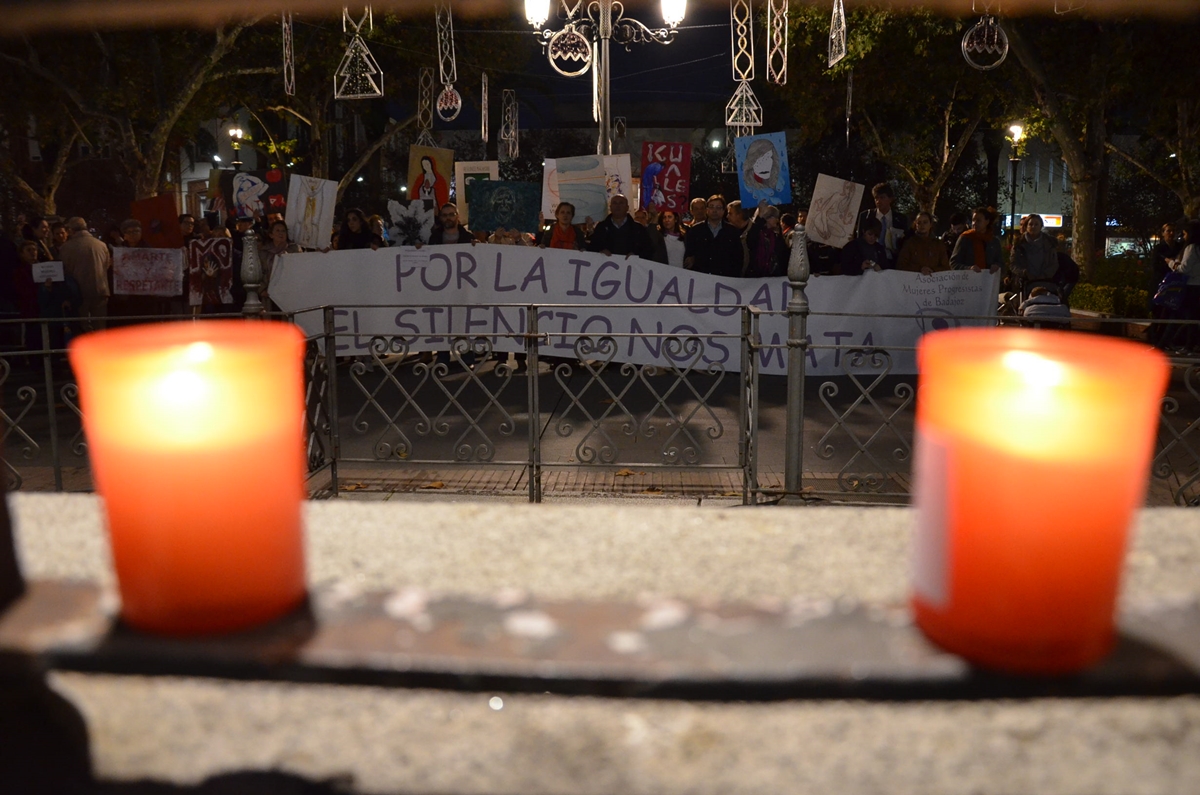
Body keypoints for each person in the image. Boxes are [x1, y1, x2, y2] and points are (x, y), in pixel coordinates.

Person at [58, 217, 111, 332]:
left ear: (71, 230)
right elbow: (106, 265)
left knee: (83, 327)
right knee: (100, 327)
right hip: (100, 291)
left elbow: (64, 270)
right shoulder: (101, 245)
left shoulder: (66, 248)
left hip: (79, 292)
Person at [683, 195, 743, 278]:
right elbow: (689, 255)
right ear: (707, 210)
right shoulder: (695, 230)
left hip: (724, 279)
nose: (714, 210)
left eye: (718, 207)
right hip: (700, 278)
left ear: (723, 210)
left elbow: (738, 258)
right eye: (711, 207)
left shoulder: (732, 232)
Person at [855, 183, 909, 265]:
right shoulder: (865, 216)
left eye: (882, 197)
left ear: (890, 199)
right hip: (870, 260)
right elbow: (859, 240)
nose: (878, 201)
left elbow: (906, 243)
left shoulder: (901, 219)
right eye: (876, 198)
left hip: (893, 262)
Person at [587, 194, 653, 260]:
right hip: (607, 267)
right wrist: (600, 252)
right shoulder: (601, 227)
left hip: (631, 268)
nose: (617, 206)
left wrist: (636, 255)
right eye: (614, 203)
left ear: (627, 207)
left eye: (621, 203)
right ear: (610, 207)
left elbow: (649, 250)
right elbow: (592, 248)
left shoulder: (638, 228)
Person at [1010, 213, 1058, 294]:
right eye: (1030, 224)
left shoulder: (1049, 243)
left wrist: (1044, 276)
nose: (1033, 227)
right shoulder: (1018, 243)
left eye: (1036, 224)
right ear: (1026, 226)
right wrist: (1025, 273)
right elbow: (1013, 264)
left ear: (1041, 226)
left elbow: (1054, 264)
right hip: (1024, 282)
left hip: (1045, 282)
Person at [261, 220, 301, 311]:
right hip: (269, 293)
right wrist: (261, 290)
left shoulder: (294, 250)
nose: (281, 233)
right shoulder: (263, 252)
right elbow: (259, 272)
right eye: (278, 231)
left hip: (289, 292)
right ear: (271, 235)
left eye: (283, 231)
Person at [950, 206, 1002, 273]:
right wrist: (968, 269)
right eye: (973, 220)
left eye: (978, 220)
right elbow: (954, 263)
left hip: (988, 281)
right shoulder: (965, 238)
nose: (974, 223)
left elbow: (1001, 264)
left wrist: (997, 266)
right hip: (968, 281)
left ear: (987, 222)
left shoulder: (994, 241)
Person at [743, 202, 789, 278]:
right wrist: (760, 215)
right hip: (755, 276)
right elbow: (752, 237)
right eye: (775, 217)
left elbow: (785, 255)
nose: (777, 220)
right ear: (767, 218)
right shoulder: (757, 234)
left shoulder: (776, 236)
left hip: (773, 278)